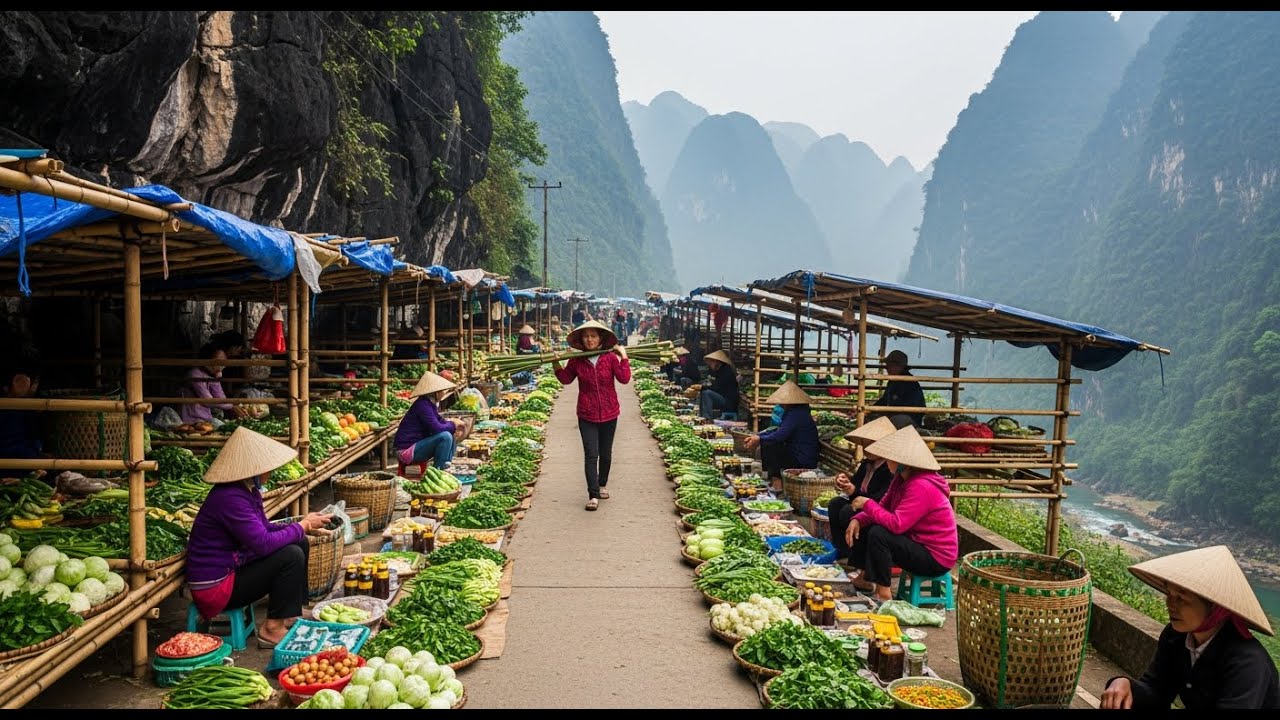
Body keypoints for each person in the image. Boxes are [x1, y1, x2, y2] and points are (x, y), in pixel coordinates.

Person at [185, 426, 334, 648]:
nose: (270, 473)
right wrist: (302, 525)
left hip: (233, 570)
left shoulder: (246, 492)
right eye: (266, 469)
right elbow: (263, 544)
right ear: (252, 471)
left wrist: (301, 527)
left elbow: (264, 529)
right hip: (216, 588)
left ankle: (291, 614)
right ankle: (271, 629)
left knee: (298, 541)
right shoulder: (230, 498)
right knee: (290, 555)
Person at [1100, 545, 1280, 709]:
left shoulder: (1247, 663)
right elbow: (1156, 692)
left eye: (1181, 598)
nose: (1170, 604)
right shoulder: (1176, 636)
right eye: (1169, 594)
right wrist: (1124, 684)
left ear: (1215, 608)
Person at [843, 424, 956, 603]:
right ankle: (866, 579)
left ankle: (884, 593)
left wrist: (867, 504)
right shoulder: (900, 479)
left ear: (902, 462)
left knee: (879, 534)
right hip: (916, 544)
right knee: (869, 525)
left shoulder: (921, 486)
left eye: (890, 458)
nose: (886, 462)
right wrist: (858, 519)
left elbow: (897, 524)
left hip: (935, 557)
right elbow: (883, 507)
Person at [553, 319, 631, 511]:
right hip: (586, 413)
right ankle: (593, 494)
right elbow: (565, 379)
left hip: (610, 411)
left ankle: (602, 484)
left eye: (593, 336)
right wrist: (555, 362)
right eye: (586, 336)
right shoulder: (577, 360)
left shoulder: (610, 358)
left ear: (600, 338)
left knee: (605, 454)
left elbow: (624, 378)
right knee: (591, 454)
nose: (589, 340)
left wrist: (624, 357)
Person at [827, 414, 916, 562]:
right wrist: (845, 483)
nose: (866, 447)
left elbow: (882, 500)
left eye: (871, 444)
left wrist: (855, 493)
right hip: (866, 505)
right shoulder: (867, 464)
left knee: (848, 512)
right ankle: (843, 550)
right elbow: (855, 483)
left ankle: (858, 559)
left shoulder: (891, 469)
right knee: (835, 504)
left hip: (881, 511)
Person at [742, 381, 820, 492]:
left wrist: (760, 439)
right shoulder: (795, 412)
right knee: (769, 442)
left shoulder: (796, 414)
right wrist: (759, 436)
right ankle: (774, 478)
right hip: (797, 452)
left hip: (803, 458)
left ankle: (777, 481)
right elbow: (778, 430)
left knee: (772, 445)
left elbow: (779, 436)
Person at [393, 370, 465, 470]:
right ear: (436, 392)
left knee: (449, 434)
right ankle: (438, 471)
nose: (444, 393)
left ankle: (446, 465)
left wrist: (453, 424)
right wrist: (453, 424)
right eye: (442, 391)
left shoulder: (429, 404)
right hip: (406, 450)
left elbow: (439, 421)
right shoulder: (423, 405)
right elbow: (436, 428)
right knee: (445, 437)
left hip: (417, 446)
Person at [179, 343, 248, 425]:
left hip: (205, 417)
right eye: (218, 361)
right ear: (207, 361)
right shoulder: (195, 374)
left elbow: (219, 395)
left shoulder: (212, 373)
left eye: (224, 360)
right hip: (190, 417)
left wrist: (233, 406)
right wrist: (231, 406)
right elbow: (208, 400)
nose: (222, 365)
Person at [873, 349, 926, 426]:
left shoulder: (909, 382)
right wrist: (871, 410)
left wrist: (885, 413)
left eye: (889, 365)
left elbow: (905, 407)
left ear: (899, 366)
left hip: (909, 418)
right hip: (897, 415)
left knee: (896, 421)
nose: (886, 368)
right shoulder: (893, 381)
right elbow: (884, 400)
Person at [0, 367, 42, 459]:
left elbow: (33, 437)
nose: (23, 384)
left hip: (25, 457)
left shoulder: (29, 408)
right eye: (19, 380)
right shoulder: (6, 408)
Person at [697, 350, 739, 420]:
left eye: (711, 362)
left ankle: (707, 418)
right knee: (703, 393)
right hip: (722, 397)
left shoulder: (726, 371)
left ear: (716, 361)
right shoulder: (719, 370)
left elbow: (717, 387)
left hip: (728, 401)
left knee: (706, 393)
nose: (710, 364)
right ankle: (702, 415)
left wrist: (702, 387)